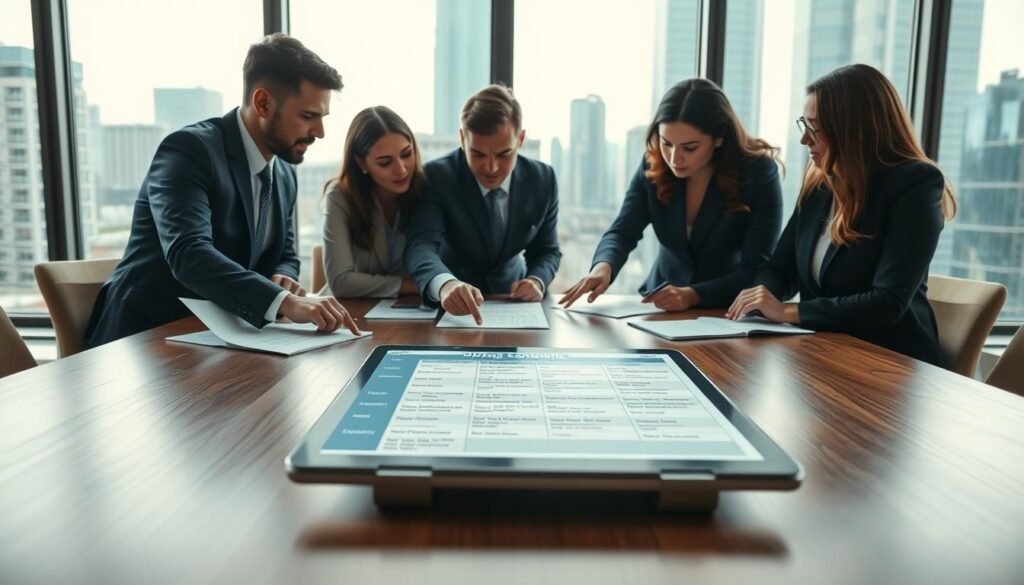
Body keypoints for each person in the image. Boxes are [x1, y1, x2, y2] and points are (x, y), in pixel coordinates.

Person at [84, 33, 358, 349]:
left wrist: (283, 278)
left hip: (224, 338)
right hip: (146, 340)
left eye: (321, 118)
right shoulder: (189, 151)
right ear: (263, 102)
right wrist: (283, 302)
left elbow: (285, 253)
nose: (320, 133)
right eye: (308, 117)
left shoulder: (283, 172)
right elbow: (189, 253)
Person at [726, 64, 957, 366]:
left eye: (815, 128)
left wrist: (786, 312)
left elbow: (886, 303)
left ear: (855, 130)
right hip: (824, 353)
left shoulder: (916, 184)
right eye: (803, 125)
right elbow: (780, 268)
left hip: (891, 364)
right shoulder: (820, 181)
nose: (804, 140)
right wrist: (761, 299)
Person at [560, 78, 782, 311]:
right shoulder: (653, 164)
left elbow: (757, 270)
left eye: (690, 148)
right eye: (666, 143)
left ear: (719, 137)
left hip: (725, 309)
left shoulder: (758, 173)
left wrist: (693, 295)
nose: (674, 159)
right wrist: (603, 267)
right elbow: (623, 231)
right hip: (659, 307)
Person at [404, 84, 561, 324]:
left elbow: (547, 250)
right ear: (462, 139)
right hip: (451, 308)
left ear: (520, 139)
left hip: (516, 304)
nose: (491, 168)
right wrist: (445, 285)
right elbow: (421, 246)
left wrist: (536, 280)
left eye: (503, 154)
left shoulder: (543, 179)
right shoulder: (436, 177)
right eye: (477, 154)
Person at [320, 106, 425, 298]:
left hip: (412, 310)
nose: (401, 170)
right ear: (362, 164)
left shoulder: (426, 189)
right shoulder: (339, 196)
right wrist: (411, 285)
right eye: (385, 162)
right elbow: (341, 282)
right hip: (350, 312)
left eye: (406, 154)